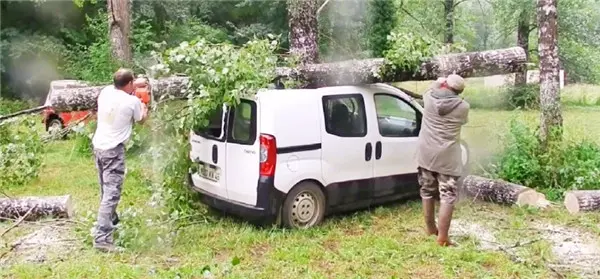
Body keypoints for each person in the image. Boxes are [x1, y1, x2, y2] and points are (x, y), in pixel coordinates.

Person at [91, 68, 148, 252]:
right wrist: (145, 106)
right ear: (129, 84)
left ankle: (110, 221)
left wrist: (137, 84)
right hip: (113, 151)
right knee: (111, 194)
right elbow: (141, 120)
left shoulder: (106, 91)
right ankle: (102, 238)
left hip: (99, 147)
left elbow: (121, 86)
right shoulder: (132, 102)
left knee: (105, 190)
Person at [415, 74, 470, 247]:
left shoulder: (429, 97)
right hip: (447, 157)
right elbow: (463, 122)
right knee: (447, 196)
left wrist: (438, 82)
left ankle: (431, 228)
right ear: (459, 91)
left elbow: (432, 88)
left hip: (426, 153)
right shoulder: (463, 106)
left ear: (445, 84)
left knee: (427, 190)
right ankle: (443, 237)